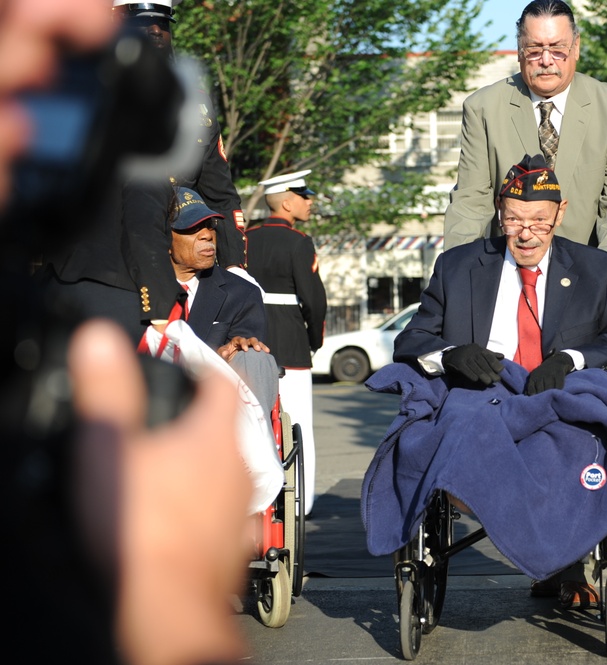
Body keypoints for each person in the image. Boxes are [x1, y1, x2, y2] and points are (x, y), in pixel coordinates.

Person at [2, 1, 250, 663]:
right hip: (93, 275)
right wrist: (165, 595)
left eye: (158, 31)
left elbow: (211, 192)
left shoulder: (174, 106)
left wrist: (214, 275)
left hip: (145, 273)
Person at [395, 153, 607, 608]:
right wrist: (451, 354)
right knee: (453, 431)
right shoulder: (459, 266)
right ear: (500, 213)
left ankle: (569, 557)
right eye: (514, 219)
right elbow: (412, 337)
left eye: (539, 219)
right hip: (484, 396)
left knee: (580, 441)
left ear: (561, 212)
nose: (526, 232)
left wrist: (572, 358)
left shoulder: (597, 270)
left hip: (557, 398)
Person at [443, 0, 607, 301]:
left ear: (576, 48)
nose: (547, 60)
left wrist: (598, 281)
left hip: (594, 286)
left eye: (558, 48)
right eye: (535, 49)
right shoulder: (483, 108)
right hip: (509, 289)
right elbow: (470, 206)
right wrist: (458, 282)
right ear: (519, 51)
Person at [113, 0, 249, 272]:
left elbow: (220, 194)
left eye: (162, 24)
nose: (154, 30)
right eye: (141, 23)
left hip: (184, 259)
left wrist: (234, 265)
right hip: (117, 257)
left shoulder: (197, 104)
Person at [246, 170, 327, 516]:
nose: (309, 202)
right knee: (297, 426)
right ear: (288, 201)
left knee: (253, 422)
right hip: (291, 345)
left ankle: (255, 501)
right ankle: (299, 503)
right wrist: (314, 338)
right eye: (304, 196)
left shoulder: (245, 238)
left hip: (250, 342)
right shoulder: (298, 242)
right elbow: (314, 300)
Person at [169, 187, 280, 413]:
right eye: (192, 228)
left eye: (210, 225)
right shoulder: (131, 291)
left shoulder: (241, 293)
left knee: (255, 357)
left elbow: (245, 363)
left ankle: (256, 447)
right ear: (162, 237)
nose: (207, 235)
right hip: (150, 406)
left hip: (216, 409)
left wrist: (222, 359)